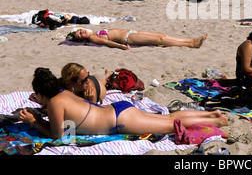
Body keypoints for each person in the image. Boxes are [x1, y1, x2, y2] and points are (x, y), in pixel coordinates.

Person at [18, 67, 228, 139]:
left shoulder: (55, 102)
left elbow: (59, 135)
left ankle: (218, 122)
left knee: (170, 125)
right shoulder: (63, 92)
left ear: (41, 93)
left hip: (120, 120)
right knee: (167, 119)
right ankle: (213, 115)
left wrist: (33, 122)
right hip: (118, 110)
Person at [66, 27, 208, 50]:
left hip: (131, 32)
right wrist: (121, 46)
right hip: (128, 38)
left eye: (80, 31)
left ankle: (191, 40)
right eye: (80, 35)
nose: (82, 32)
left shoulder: (93, 32)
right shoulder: (93, 39)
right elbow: (106, 42)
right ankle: (191, 44)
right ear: (81, 40)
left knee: (162, 36)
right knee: (159, 40)